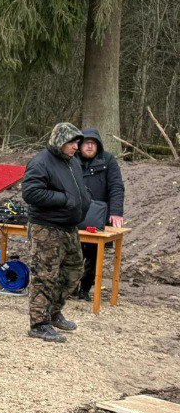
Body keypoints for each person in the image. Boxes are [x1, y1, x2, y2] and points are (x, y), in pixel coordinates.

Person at [21, 122, 91, 343]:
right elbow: (31, 193)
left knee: (74, 270)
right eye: (72, 143)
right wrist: (65, 200)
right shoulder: (41, 162)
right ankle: (39, 323)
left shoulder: (72, 162)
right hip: (46, 227)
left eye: (77, 143)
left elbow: (78, 190)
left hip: (69, 227)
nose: (76, 147)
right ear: (60, 142)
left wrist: (83, 200)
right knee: (45, 276)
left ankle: (53, 311)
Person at [75, 128, 125, 301]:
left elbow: (116, 186)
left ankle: (85, 289)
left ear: (98, 145)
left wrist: (116, 212)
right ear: (80, 145)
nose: (89, 146)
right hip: (74, 214)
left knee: (94, 254)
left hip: (98, 216)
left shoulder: (108, 160)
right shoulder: (71, 160)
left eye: (93, 143)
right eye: (86, 143)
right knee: (71, 252)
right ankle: (71, 287)